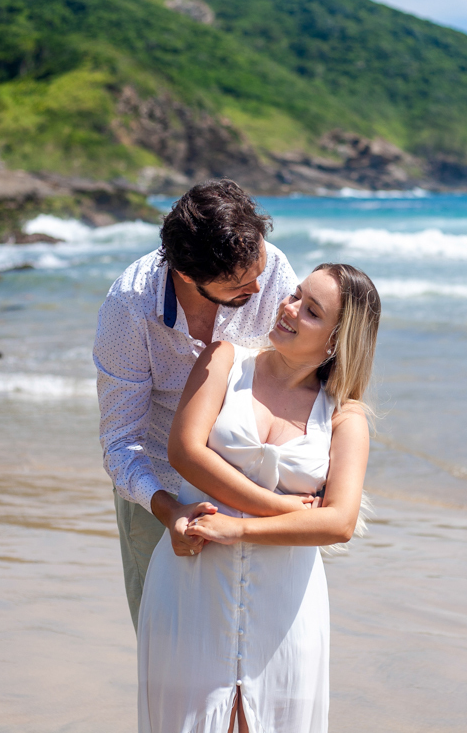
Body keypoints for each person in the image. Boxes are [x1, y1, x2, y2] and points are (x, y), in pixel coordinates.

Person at [137, 263, 382, 733]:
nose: (287, 309)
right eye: (293, 295)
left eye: (310, 311)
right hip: (193, 587)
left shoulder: (346, 418)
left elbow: (339, 524)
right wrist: (281, 507)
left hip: (285, 607)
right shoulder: (225, 361)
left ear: (336, 340)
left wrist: (241, 527)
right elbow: (184, 451)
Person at [94, 179, 304, 630]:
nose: (260, 287)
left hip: (256, 484)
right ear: (187, 275)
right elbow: (120, 443)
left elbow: (301, 371)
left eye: (260, 270)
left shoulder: (271, 271)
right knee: (164, 636)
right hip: (158, 487)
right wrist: (170, 512)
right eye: (241, 288)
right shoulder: (129, 307)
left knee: (252, 638)